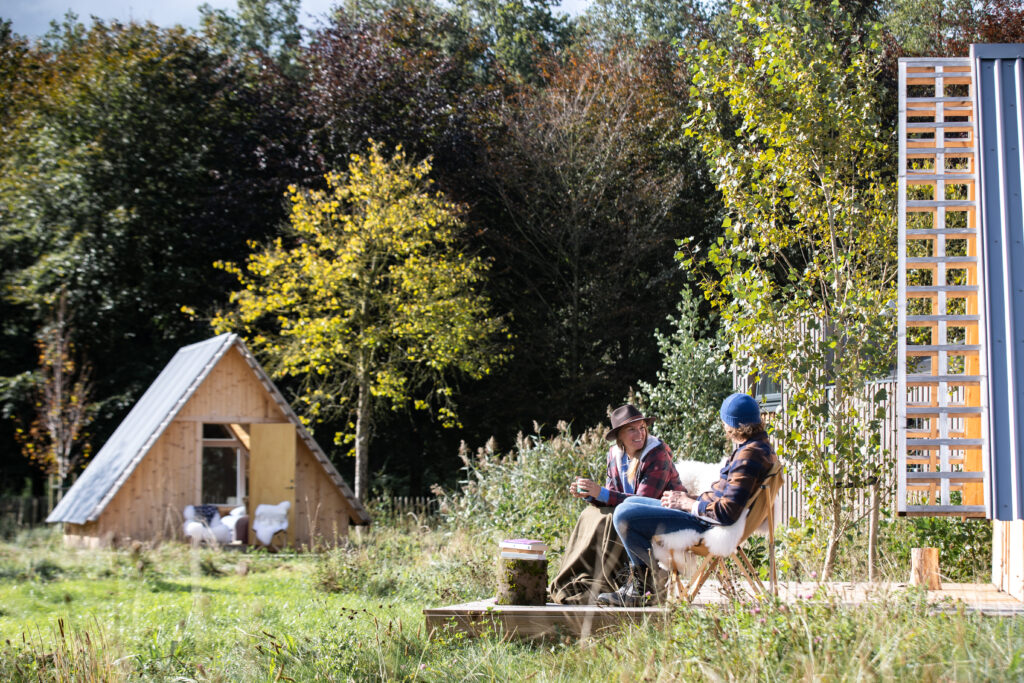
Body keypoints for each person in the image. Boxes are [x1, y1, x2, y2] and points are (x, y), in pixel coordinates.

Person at [596, 392, 778, 607]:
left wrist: (689, 504)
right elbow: (726, 499)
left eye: (724, 421)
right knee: (630, 503)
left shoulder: (749, 457)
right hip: (707, 516)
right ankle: (644, 584)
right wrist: (688, 498)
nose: (723, 426)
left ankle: (644, 587)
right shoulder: (755, 448)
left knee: (623, 514)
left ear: (732, 424)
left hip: (709, 524)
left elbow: (727, 513)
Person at [548, 404, 683, 604]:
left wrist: (601, 493)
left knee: (613, 518)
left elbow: (641, 504)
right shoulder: (615, 455)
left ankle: (635, 582)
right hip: (632, 512)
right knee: (590, 515)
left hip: (666, 515)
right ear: (619, 435)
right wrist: (589, 494)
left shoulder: (657, 453)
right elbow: (611, 495)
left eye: (642, 428)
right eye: (632, 429)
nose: (640, 434)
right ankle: (592, 578)